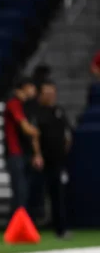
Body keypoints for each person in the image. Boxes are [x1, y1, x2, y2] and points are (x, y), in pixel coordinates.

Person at [35, 81, 72, 238]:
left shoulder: (59, 111)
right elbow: (34, 136)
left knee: (58, 196)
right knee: (36, 196)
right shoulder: (37, 112)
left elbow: (68, 135)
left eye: (52, 93)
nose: (50, 96)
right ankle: (33, 229)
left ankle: (61, 229)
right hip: (41, 162)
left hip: (57, 161)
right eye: (47, 93)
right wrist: (37, 154)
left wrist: (64, 151)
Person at [4, 77, 41, 214]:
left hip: (23, 153)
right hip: (15, 153)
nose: (33, 90)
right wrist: (36, 131)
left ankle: (21, 225)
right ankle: (16, 226)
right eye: (30, 87)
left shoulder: (27, 106)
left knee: (24, 191)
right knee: (20, 191)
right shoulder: (14, 103)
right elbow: (26, 129)